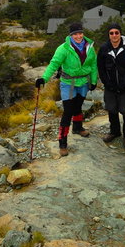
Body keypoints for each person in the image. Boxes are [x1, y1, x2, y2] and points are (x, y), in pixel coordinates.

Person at [35, 22, 97, 156]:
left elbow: (93, 64)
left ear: (83, 33)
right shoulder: (63, 48)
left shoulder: (89, 47)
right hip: (68, 83)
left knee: (78, 105)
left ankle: (78, 128)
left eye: (80, 33)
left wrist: (93, 80)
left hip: (84, 82)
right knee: (68, 111)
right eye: (75, 34)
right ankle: (62, 142)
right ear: (70, 35)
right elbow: (54, 64)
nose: (78, 36)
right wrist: (44, 78)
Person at [97, 23, 125, 149]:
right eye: (111, 33)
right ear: (108, 35)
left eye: (116, 32)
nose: (114, 35)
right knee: (111, 109)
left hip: (124, 86)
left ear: (120, 34)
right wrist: (107, 83)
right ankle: (114, 131)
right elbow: (101, 68)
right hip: (110, 87)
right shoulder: (104, 48)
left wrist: (123, 83)